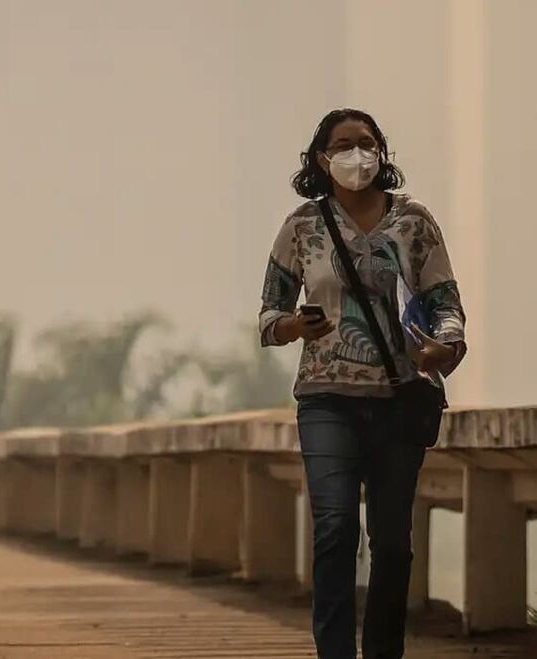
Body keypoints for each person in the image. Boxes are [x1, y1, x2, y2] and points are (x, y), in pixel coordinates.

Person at [259, 108, 466, 659]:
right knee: (334, 527)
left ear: (382, 152)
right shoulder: (301, 226)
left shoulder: (414, 221)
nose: (358, 155)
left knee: (393, 545)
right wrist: (292, 326)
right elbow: (268, 315)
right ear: (321, 159)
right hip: (327, 399)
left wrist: (445, 345)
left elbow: (446, 303)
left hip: (399, 400)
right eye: (344, 145)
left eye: (367, 143)